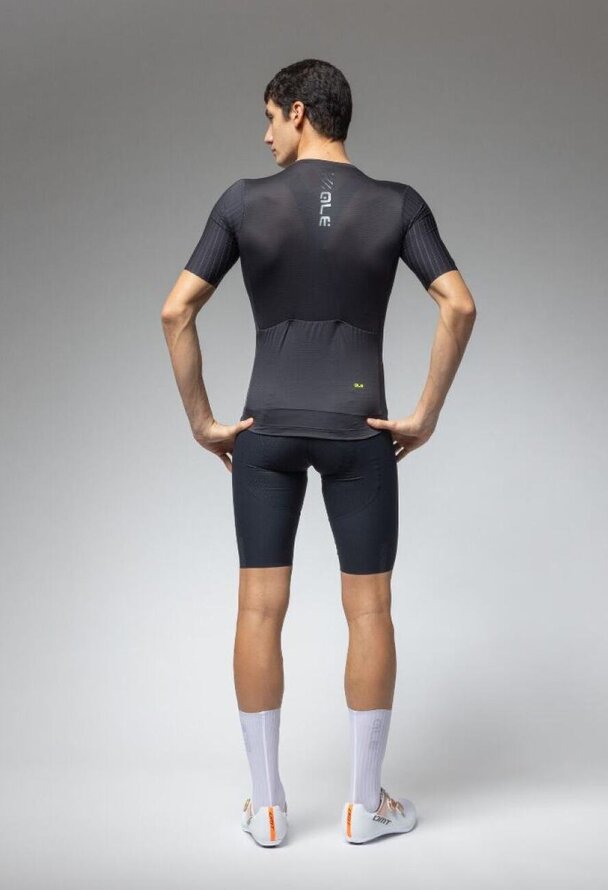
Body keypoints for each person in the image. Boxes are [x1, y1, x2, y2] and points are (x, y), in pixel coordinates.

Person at [160, 58, 476, 847]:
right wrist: (424, 416)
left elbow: (175, 312)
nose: (266, 136)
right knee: (369, 610)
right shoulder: (398, 204)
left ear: (299, 112)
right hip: (360, 427)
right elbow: (459, 304)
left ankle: (267, 808)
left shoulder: (243, 203)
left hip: (263, 428)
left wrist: (203, 422)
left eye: (270, 118)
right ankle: (365, 808)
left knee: (257, 609)